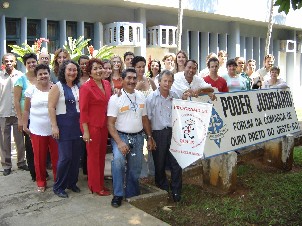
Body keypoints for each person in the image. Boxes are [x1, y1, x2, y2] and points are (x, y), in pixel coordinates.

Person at [107, 68, 155, 208]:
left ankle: (132, 194)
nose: (132, 81)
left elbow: (145, 119)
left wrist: (150, 137)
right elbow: (110, 124)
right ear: (122, 80)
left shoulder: (141, 96)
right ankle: (118, 194)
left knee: (135, 168)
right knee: (118, 162)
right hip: (120, 136)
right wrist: (120, 142)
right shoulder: (115, 98)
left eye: (134, 78)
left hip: (138, 137)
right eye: (128, 78)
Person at [146, 70, 183, 202]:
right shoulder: (151, 98)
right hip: (158, 133)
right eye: (165, 81)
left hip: (173, 132)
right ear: (159, 81)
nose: (167, 83)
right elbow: (147, 120)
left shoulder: (175, 96)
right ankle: (162, 186)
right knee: (159, 163)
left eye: (170, 81)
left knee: (176, 163)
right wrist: (150, 137)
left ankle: (176, 190)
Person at [48, 60, 82, 198]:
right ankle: (58, 186)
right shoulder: (57, 86)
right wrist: (54, 126)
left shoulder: (77, 86)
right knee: (65, 158)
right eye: (69, 70)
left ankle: (71, 183)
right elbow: (51, 107)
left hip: (77, 126)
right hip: (63, 126)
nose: (72, 72)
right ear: (64, 71)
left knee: (75, 158)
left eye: (75, 70)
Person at [22, 64, 58, 192]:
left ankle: (58, 181)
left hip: (54, 129)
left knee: (56, 157)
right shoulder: (31, 90)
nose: (43, 76)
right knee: (39, 157)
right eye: (40, 74)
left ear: (49, 74)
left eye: (45, 73)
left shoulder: (56, 88)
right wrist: (24, 123)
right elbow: (26, 110)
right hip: (37, 129)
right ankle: (41, 182)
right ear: (36, 77)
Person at [79, 58, 111, 196]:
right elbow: (83, 111)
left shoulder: (107, 84)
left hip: (104, 126)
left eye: (100, 67)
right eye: (95, 69)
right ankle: (95, 187)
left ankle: (100, 183)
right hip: (91, 127)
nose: (99, 71)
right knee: (93, 157)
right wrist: (85, 131)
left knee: (101, 156)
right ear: (90, 72)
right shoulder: (86, 87)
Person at [0, 53, 28, 176]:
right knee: (4, 141)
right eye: (6, 61)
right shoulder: (0, 77)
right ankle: (6, 165)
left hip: (18, 114)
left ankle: (21, 162)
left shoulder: (21, 76)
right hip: (3, 113)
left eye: (11, 61)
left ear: (15, 62)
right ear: (3, 63)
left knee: (19, 139)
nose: (9, 63)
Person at [14, 53, 38, 181]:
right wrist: (20, 119)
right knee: (30, 145)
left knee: (41, 145)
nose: (31, 64)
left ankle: (41, 169)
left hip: (40, 117)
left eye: (33, 62)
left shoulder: (41, 76)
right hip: (27, 118)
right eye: (29, 63)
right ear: (25, 65)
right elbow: (17, 101)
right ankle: (34, 173)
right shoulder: (21, 79)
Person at [132, 56, 156, 179]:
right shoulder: (131, 82)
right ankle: (141, 174)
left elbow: (157, 97)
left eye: (143, 66)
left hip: (151, 119)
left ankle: (152, 172)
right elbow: (128, 99)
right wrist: (137, 88)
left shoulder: (150, 81)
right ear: (134, 67)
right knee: (139, 147)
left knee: (152, 145)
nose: (141, 69)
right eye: (138, 67)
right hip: (137, 120)